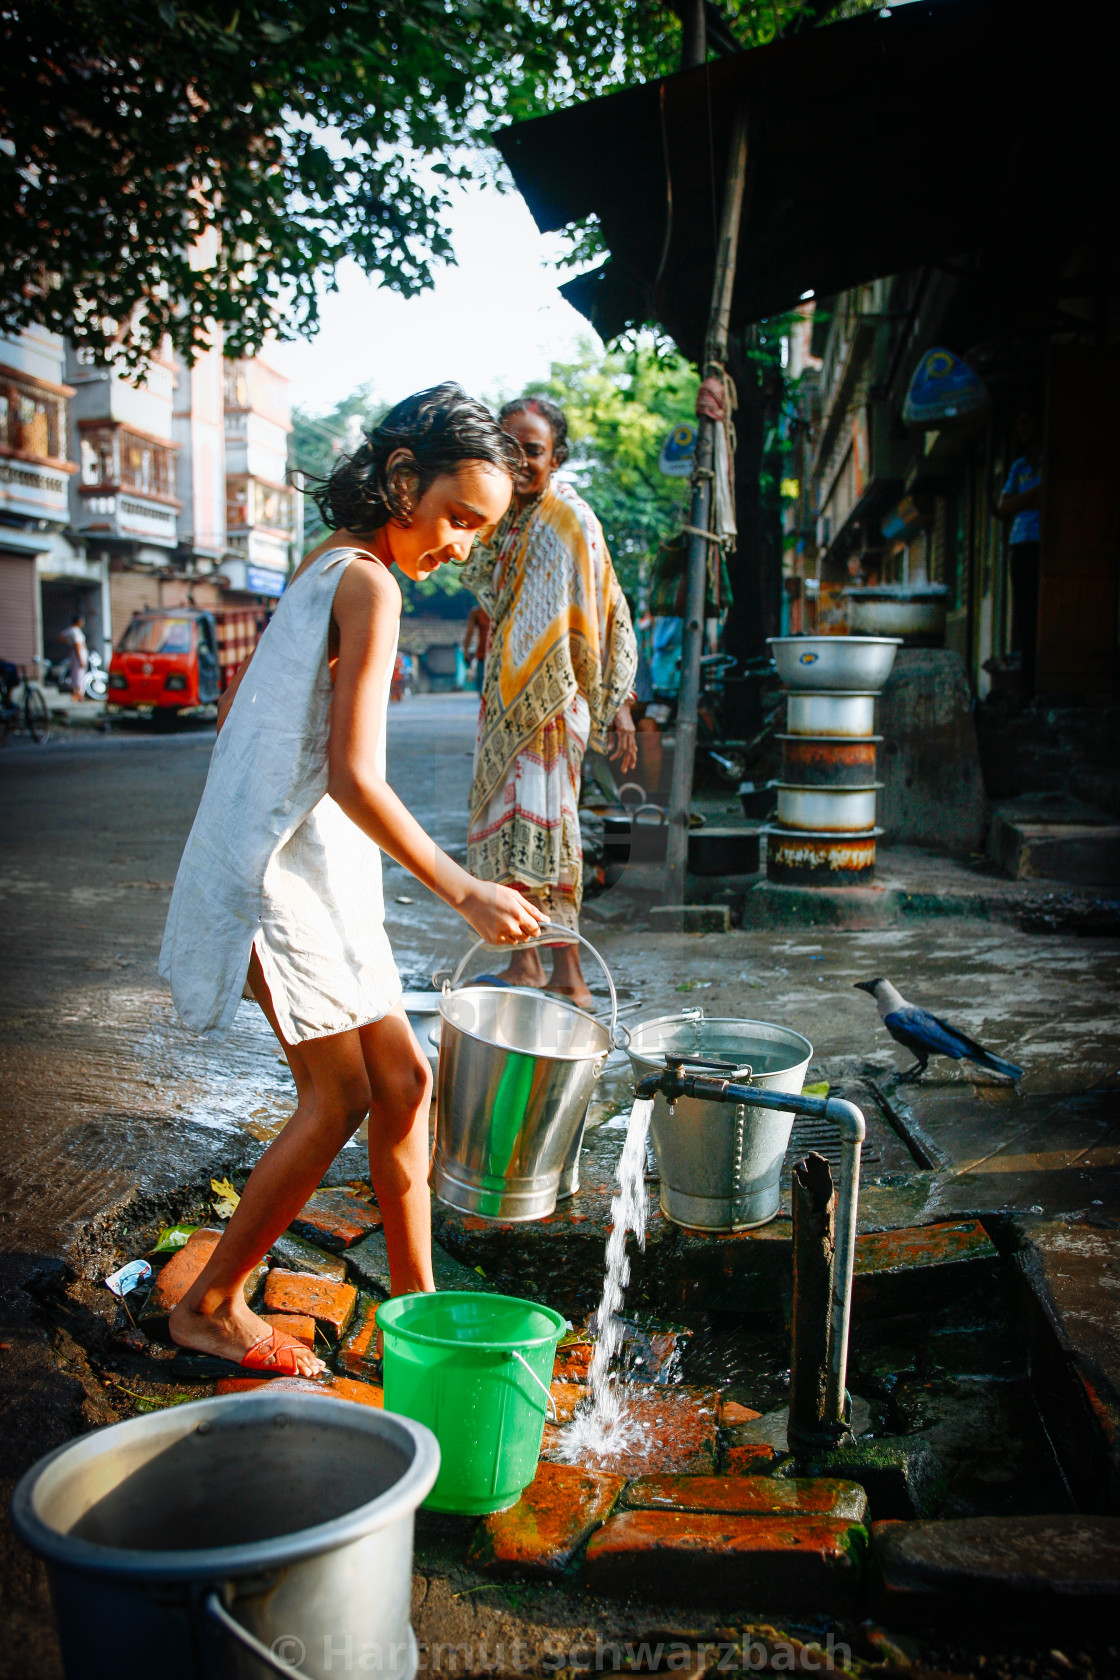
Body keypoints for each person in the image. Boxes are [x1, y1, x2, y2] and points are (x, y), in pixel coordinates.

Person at [159, 385, 546, 1379]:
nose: (463, 543)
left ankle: (416, 1315)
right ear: (404, 481)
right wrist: (464, 887)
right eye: (458, 516)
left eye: (483, 530)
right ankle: (210, 1303)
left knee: (405, 1083)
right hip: (276, 883)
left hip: (312, 874)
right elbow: (352, 774)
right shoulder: (366, 581)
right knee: (334, 1099)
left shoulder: (331, 562)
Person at [463, 395, 637, 1009]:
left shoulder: (571, 519)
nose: (518, 461)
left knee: (548, 828)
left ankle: (571, 977)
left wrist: (616, 702)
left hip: (555, 703)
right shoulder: (502, 517)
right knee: (508, 831)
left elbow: (602, 608)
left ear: (556, 455)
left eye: (531, 450)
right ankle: (526, 965)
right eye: (507, 448)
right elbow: (498, 588)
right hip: (503, 694)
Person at [997, 411, 1043, 692]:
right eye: (1020, 424)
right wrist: (1034, 495)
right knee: (1025, 616)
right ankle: (1026, 687)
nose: (1023, 428)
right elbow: (1004, 506)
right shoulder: (1020, 466)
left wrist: (1021, 501)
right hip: (1021, 543)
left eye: (1028, 421)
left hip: (1044, 544)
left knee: (1040, 614)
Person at [463, 602, 490, 693]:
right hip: (483, 655)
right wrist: (466, 650)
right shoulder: (477, 612)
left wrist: (466, 650)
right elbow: (470, 632)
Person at [59, 613, 88, 700]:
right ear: (78, 621)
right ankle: (78, 694)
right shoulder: (75, 631)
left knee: (76, 673)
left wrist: (69, 642)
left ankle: (77, 694)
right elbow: (77, 644)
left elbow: (61, 636)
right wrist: (81, 660)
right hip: (78, 653)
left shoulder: (72, 630)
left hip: (75, 653)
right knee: (79, 673)